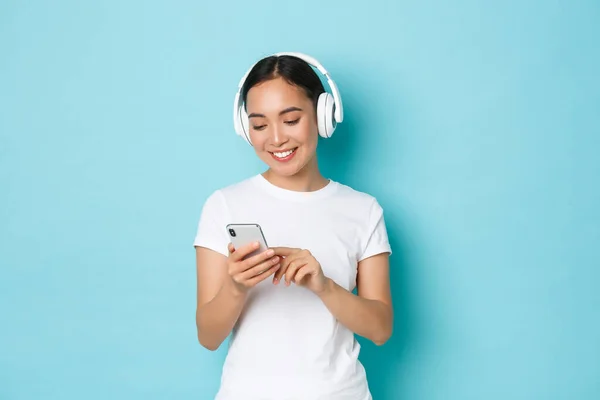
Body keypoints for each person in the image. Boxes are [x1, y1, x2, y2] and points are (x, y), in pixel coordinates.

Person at [193, 52, 393, 400]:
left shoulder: (363, 210)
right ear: (245, 129)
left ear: (322, 115)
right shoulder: (223, 205)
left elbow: (380, 329)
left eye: (290, 120)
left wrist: (324, 286)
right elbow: (208, 336)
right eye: (259, 125)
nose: (276, 139)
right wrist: (237, 287)